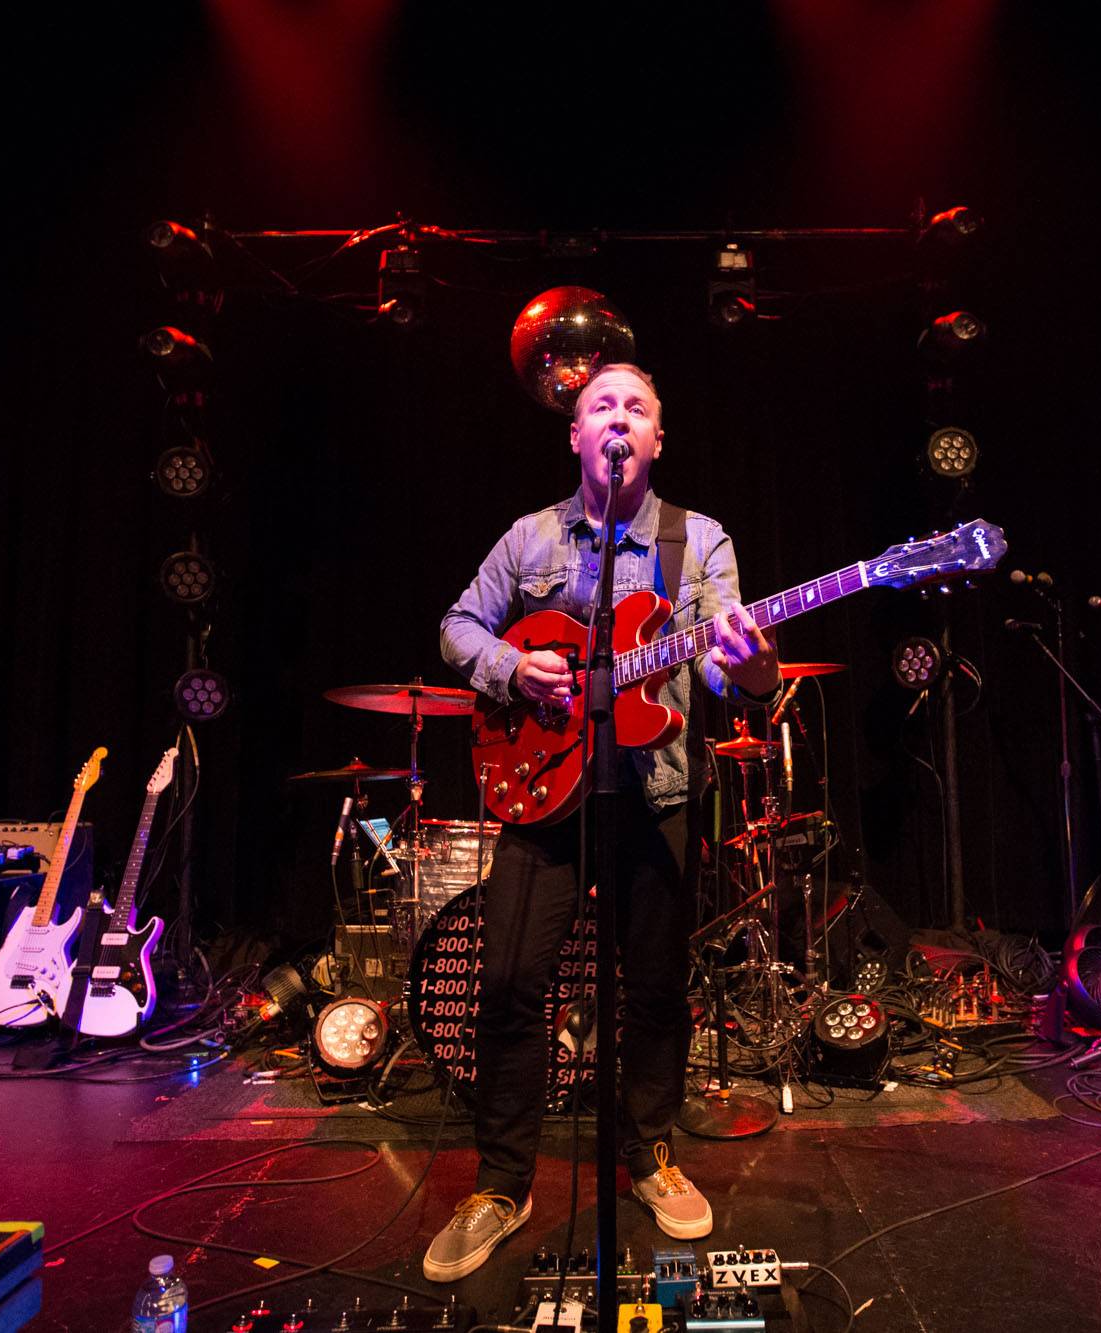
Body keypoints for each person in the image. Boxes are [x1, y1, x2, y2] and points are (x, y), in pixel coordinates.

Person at [428, 363, 781, 1283]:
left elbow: (717, 669)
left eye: (637, 407)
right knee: (506, 980)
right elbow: (458, 627)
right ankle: (504, 1181)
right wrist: (513, 667)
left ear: (657, 439)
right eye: (600, 407)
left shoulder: (697, 541)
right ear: (576, 435)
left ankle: (650, 1153)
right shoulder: (530, 536)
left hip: (654, 790)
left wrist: (748, 670)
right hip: (541, 791)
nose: (618, 418)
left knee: (656, 988)